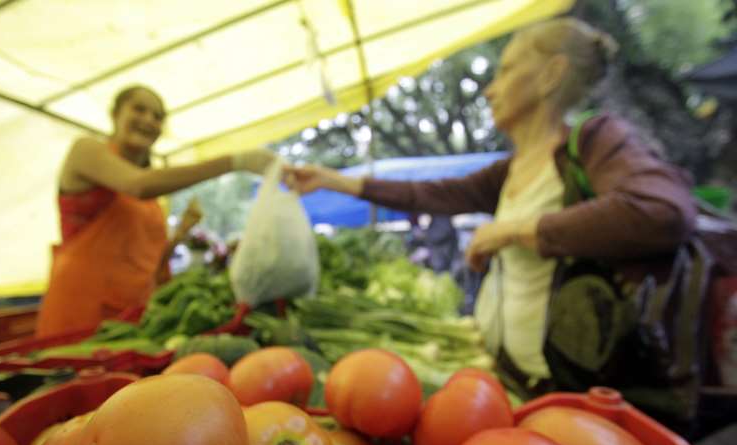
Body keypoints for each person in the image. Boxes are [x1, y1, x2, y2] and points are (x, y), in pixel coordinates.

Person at [284, 17, 697, 397]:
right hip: (508, 378)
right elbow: (427, 194)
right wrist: (335, 180)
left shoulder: (594, 142)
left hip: (567, 387)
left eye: (506, 70)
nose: (490, 88)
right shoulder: (509, 170)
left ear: (551, 75)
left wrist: (513, 231)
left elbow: (662, 212)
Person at [36, 85, 282, 337]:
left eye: (157, 116)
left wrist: (180, 235)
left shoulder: (153, 201)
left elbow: (148, 261)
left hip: (133, 322)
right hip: (81, 316)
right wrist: (235, 162)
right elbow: (138, 184)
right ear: (115, 114)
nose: (148, 120)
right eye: (139, 109)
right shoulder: (86, 151)